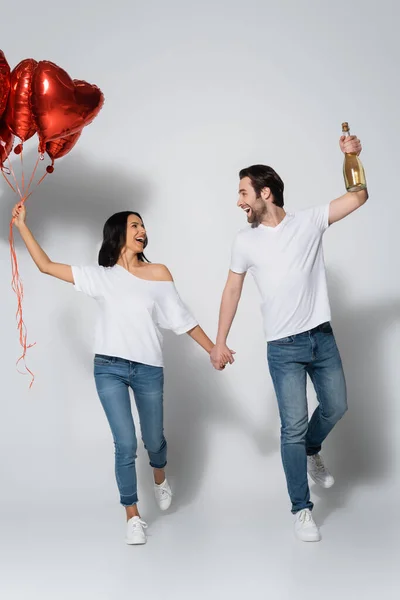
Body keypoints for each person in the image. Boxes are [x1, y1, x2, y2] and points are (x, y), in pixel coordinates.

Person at [12, 207, 217, 545]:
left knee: (153, 440)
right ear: (118, 233)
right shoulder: (100, 276)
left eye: (143, 225)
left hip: (148, 368)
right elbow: (46, 266)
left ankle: (160, 475)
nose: (142, 230)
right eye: (134, 224)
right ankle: (133, 516)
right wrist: (21, 225)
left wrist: (212, 349)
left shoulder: (158, 273)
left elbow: (183, 319)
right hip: (108, 368)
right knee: (124, 443)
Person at [210, 134, 368, 542]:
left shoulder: (309, 221)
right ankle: (302, 510)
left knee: (337, 406)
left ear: (266, 193)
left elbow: (358, 196)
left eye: (244, 192)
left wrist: (351, 157)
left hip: (322, 338)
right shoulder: (244, 241)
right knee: (291, 429)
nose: (239, 201)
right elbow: (232, 290)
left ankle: (312, 451)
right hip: (283, 348)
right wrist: (219, 341)